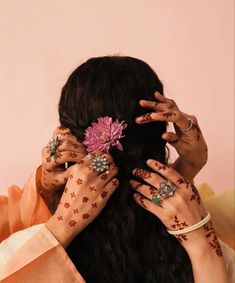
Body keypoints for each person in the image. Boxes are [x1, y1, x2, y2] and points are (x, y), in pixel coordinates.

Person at [0, 56, 232, 283]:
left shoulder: (16, 257)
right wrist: (203, 243)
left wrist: (59, 225)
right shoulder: (211, 254)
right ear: (162, 137)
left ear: (66, 139)